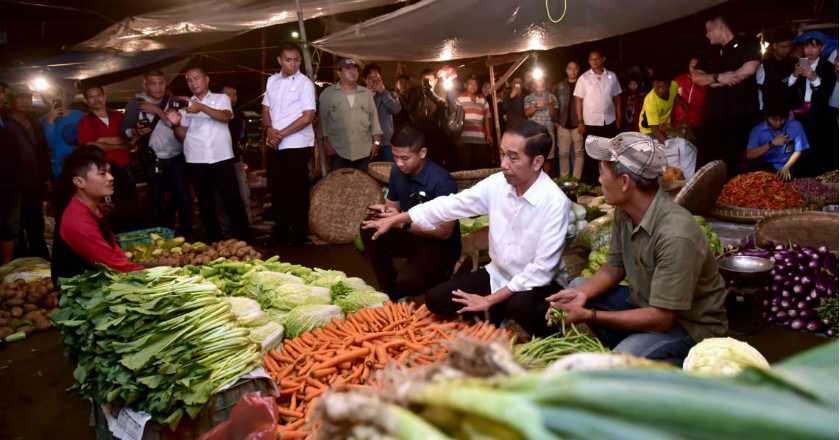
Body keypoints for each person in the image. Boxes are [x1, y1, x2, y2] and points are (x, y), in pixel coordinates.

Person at [363, 120, 571, 337]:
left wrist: (489, 299)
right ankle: (494, 312)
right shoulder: (498, 183)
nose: (504, 164)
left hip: (536, 284)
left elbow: (542, 270)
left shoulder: (555, 202)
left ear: (537, 162)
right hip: (497, 274)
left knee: (519, 306)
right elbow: (453, 204)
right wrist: (400, 218)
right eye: (502, 154)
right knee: (436, 299)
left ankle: (545, 329)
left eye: (513, 157)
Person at [546, 132, 728, 363]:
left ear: (624, 183)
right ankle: (634, 341)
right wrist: (580, 295)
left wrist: (590, 315)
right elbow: (614, 267)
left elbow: (662, 318)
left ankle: (659, 365)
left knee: (620, 362)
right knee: (579, 286)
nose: (599, 180)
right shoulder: (625, 211)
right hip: (647, 302)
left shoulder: (676, 235)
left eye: (602, 173)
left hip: (689, 327)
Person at [360, 125, 460, 300]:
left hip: (438, 245)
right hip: (412, 236)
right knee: (369, 228)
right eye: (395, 156)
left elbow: (444, 232)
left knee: (408, 283)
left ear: (422, 153)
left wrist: (400, 223)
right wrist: (386, 212)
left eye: (405, 158)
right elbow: (393, 207)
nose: (399, 163)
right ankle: (390, 292)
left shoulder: (442, 181)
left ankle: (435, 277)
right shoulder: (397, 172)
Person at [166, 66, 250, 241]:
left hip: (222, 157)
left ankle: (244, 238)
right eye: (189, 80)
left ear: (206, 79)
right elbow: (182, 136)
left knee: (232, 199)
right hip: (196, 158)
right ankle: (214, 240)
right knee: (205, 203)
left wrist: (201, 108)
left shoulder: (221, 98)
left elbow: (226, 116)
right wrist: (174, 124)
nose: (193, 83)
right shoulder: (185, 106)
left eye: (196, 78)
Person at [51, 146, 143, 285]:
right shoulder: (78, 221)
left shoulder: (92, 207)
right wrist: (162, 271)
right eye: (102, 173)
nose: (111, 178)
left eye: (110, 172)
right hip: (82, 295)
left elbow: (114, 253)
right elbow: (117, 268)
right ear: (79, 182)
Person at [121, 70, 193, 237]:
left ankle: (187, 235)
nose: (158, 87)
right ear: (144, 84)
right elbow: (125, 132)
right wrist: (136, 131)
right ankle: (159, 236)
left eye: (161, 83)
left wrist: (158, 110)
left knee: (183, 196)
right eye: (153, 83)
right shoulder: (136, 104)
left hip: (177, 155)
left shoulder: (174, 101)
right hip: (153, 158)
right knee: (156, 198)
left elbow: (181, 123)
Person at [262, 43, 317, 245]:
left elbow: (308, 116)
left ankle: (300, 233)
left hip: (297, 144)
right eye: (288, 59)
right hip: (274, 143)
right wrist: (269, 129)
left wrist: (281, 134)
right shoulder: (272, 80)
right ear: (279, 60)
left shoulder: (305, 83)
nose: (293, 63)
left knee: (298, 190)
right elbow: (265, 108)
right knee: (277, 189)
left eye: (296, 60)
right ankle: (281, 231)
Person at [691, 16, 760, 172]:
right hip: (713, 116)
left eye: (709, 30)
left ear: (720, 27)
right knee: (706, 162)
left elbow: (749, 69)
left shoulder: (748, 43)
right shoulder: (709, 50)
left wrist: (715, 82)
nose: (707, 35)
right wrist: (718, 77)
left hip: (739, 117)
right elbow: (696, 77)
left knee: (734, 164)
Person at [77, 85, 138, 232]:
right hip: (103, 173)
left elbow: (132, 140)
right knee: (110, 211)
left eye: (99, 95)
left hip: (125, 170)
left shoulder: (119, 116)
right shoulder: (85, 121)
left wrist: (102, 140)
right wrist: (120, 143)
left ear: (104, 97)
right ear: (86, 101)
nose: (96, 99)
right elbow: (90, 146)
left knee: (130, 208)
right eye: (91, 97)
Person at [3, 89, 51, 260]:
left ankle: (41, 260)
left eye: (28, 98)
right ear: (11, 101)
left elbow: (43, 151)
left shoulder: (35, 123)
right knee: (14, 227)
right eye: (20, 97)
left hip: (35, 183)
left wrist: (47, 178)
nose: (25, 101)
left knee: (36, 224)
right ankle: (18, 261)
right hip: (12, 185)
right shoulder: (5, 123)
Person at [319, 58, 383, 171]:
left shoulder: (366, 93)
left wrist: (376, 142)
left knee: (363, 184)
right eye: (348, 69)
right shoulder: (328, 94)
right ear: (339, 73)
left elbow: (374, 120)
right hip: (338, 150)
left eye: (355, 69)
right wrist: (326, 143)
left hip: (364, 150)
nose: (353, 72)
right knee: (340, 185)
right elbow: (323, 121)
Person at [786, 37, 836, 176]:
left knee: (819, 148)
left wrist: (814, 78)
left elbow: (827, 92)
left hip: (820, 115)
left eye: (814, 47)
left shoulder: (828, 67)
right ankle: (801, 178)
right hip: (799, 114)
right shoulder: (797, 64)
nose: (810, 51)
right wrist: (795, 75)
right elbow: (787, 89)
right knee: (800, 148)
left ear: (822, 48)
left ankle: (820, 181)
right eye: (807, 47)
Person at [575, 50, 623, 184]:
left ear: (603, 59)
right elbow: (578, 100)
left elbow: (618, 99)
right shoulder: (583, 78)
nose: (594, 61)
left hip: (609, 121)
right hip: (590, 123)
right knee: (591, 155)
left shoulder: (612, 76)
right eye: (591, 59)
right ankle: (592, 184)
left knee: (608, 153)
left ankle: (609, 182)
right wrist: (580, 121)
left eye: (596, 59)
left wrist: (619, 118)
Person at [744, 102, 809, 180]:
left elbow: (798, 150)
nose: (778, 123)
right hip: (767, 165)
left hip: (789, 164)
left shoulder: (796, 126)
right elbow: (749, 155)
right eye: (774, 120)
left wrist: (786, 167)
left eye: (782, 119)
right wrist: (771, 144)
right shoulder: (757, 130)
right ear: (767, 117)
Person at [220, 85, 252, 228]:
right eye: (228, 94)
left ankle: (245, 226)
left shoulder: (239, 114)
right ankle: (224, 227)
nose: (232, 98)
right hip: (219, 161)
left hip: (235, 160)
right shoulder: (214, 113)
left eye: (234, 94)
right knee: (221, 196)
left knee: (242, 194)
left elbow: (241, 137)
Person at [40, 89, 85, 178]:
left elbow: (89, 140)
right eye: (49, 97)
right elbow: (49, 145)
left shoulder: (81, 116)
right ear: (45, 101)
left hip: (81, 166)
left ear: (64, 96)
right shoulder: (41, 121)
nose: (55, 98)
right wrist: (50, 121)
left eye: (58, 94)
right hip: (58, 169)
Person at [364, 63, 402, 162]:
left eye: (376, 77)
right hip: (368, 143)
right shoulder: (360, 96)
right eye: (370, 78)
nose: (374, 80)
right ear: (365, 80)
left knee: (389, 172)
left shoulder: (390, 94)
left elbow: (396, 109)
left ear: (381, 78)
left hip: (387, 143)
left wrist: (383, 92)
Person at [455, 76, 493, 170]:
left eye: (475, 84)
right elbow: (456, 119)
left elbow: (487, 118)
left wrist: (488, 135)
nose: (473, 86)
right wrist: (456, 137)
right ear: (465, 85)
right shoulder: (459, 99)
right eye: (470, 84)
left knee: (482, 166)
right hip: (464, 139)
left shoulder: (483, 100)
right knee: (465, 166)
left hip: (480, 138)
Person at [555, 61, 584, 179]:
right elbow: (554, 103)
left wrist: (583, 122)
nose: (572, 71)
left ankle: (576, 181)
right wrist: (556, 123)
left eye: (575, 68)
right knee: (563, 154)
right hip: (562, 125)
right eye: (570, 68)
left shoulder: (583, 84)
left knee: (578, 154)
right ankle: (565, 180)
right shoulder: (560, 85)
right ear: (566, 70)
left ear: (578, 70)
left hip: (578, 125)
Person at [525, 77, 559, 174]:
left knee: (548, 158)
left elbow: (554, 117)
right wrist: (535, 106)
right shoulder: (528, 98)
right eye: (538, 82)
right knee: (533, 157)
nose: (540, 84)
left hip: (548, 132)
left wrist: (550, 105)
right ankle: (534, 180)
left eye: (541, 82)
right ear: (534, 84)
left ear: (544, 83)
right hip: (533, 133)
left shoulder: (552, 97)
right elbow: (527, 114)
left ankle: (546, 180)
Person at [757, 28, 795, 111]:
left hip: (791, 109)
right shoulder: (764, 65)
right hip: (772, 110)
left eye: (789, 46)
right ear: (774, 46)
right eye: (783, 46)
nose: (787, 49)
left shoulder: (793, 62)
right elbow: (761, 90)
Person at [639, 73, 680, 143]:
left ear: (669, 85)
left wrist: (682, 102)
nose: (659, 91)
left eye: (662, 87)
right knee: (662, 149)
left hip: (664, 125)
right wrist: (669, 145)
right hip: (649, 130)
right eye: (656, 87)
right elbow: (654, 130)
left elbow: (675, 94)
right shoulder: (650, 101)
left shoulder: (674, 85)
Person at [672, 57, 707, 132]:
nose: (694, 65)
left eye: (696, 65)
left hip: (696, 124)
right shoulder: (679, 79)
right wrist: (680, 100)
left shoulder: (707, 83)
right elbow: (669, 95)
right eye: (692, 64)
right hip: (678, 122)